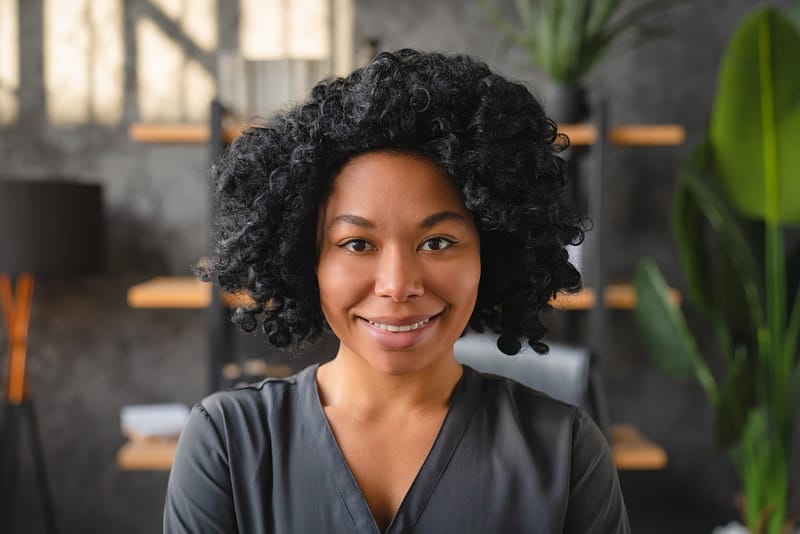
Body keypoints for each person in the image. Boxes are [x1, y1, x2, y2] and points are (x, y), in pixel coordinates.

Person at [163, 49, 630, 533]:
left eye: (437, 242)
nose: (398, 284)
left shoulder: (566, 452)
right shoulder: (226, 443)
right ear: (308, 258)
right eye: (357, 243)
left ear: (489, 254)